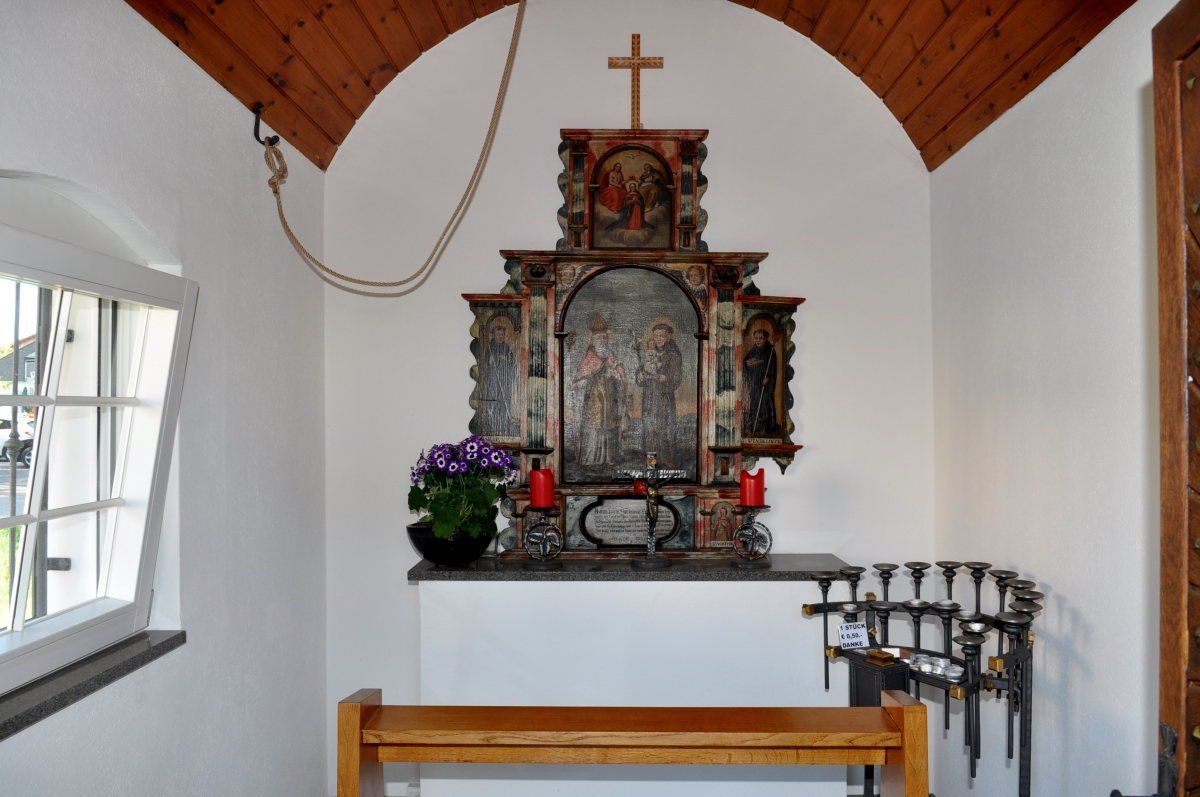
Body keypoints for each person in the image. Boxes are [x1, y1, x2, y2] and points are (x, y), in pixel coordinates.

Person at [573, 314, 625, 467]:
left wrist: (616, 373)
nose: (602, 340)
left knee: (609, 425)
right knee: (595, 425)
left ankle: (609, 458)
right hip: (595, 398)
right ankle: (592, 459)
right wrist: (593, 375)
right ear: (593, 339)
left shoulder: (610, 354)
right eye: (599, 337)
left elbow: (619, 371)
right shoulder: (590, 356)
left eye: (604, 337)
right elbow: (581, 376)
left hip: (610, 396)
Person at [637, 322, 681, 464]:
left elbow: (677, 378)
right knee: (650, 428)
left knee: (665, 428)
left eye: (662, 336)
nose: (658, 339)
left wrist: (664, 378)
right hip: (649, 397)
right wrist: (640, 376)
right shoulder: (649, 353)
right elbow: (641, 371)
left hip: (664, 398)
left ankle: (668, 460)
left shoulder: (673, 355)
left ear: (668, 337)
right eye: (656, 336)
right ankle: (651, 462)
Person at [481, 316, 518, 437]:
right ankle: (492, 428)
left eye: (502, 334)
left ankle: (504, 427)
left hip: (504, 380)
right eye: (498, 334)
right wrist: (489, 361)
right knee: (493, 402)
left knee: (504, 403)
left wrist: (506, 359)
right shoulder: (489, 347)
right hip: (492, 380)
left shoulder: (506, 347)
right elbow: (483, 365)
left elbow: (513, 364)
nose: (500, 337)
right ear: (494, 335)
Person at [743, 328, 778, 436]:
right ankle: (755, 426)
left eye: (761, 338)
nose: (758, 340)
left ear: (765, 338)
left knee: (765, 404)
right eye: (756, 338)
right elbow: (745, 363)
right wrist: (748, 365)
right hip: (755, 381)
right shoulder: (753, 351)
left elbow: (772, 366)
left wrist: (768, 377)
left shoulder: (770, 351)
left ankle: (766, 427)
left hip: (765, 384)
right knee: (754, 402)